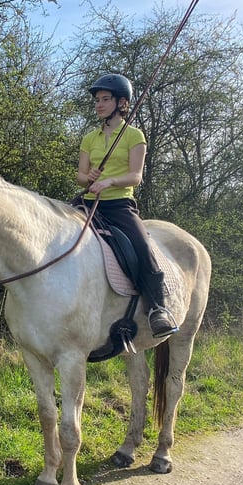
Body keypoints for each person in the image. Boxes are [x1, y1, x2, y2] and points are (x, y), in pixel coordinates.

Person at [77, 73, 178, 338]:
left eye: (105, 99)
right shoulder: (90, 138)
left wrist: (108, 181)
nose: (99, 104)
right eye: (97, 100)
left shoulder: (134, 135)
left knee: (142, 246)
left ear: (121, 102)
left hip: (119, 204)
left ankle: (158, 308)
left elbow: (136, 175)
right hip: (88, 204)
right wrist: (88, 178)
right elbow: (80, 175)